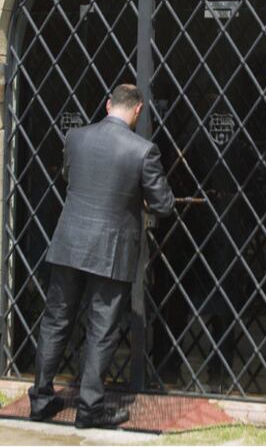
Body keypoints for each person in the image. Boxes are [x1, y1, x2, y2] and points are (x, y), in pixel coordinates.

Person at [28, 84, 175, 428]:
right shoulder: (143, 150)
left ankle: (41, 399)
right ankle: (89, 409)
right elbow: (163, 204)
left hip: (69, 243)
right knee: (101, 329)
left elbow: (69, 177)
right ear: (137, 111)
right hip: (111, 250)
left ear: (108, 104)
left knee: (55, 321)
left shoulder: (75, 137)